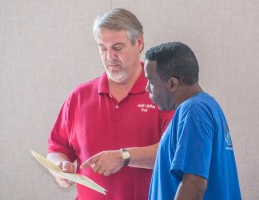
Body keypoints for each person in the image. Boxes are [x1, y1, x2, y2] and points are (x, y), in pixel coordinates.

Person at [47, 8, 174, 200]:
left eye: (117, 48)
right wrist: (60, 167)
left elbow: (174, 152)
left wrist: (124, 157)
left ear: (139, 43)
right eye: (102, 48)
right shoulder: (79, 97)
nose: (109, 57)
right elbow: (57, 148)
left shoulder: (165, 93)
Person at [144, 41, 241, 200]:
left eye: (152, 82)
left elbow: (194, 183)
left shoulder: (193, 111)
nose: (147, 88)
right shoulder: (206, 106)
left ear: (172, 84)